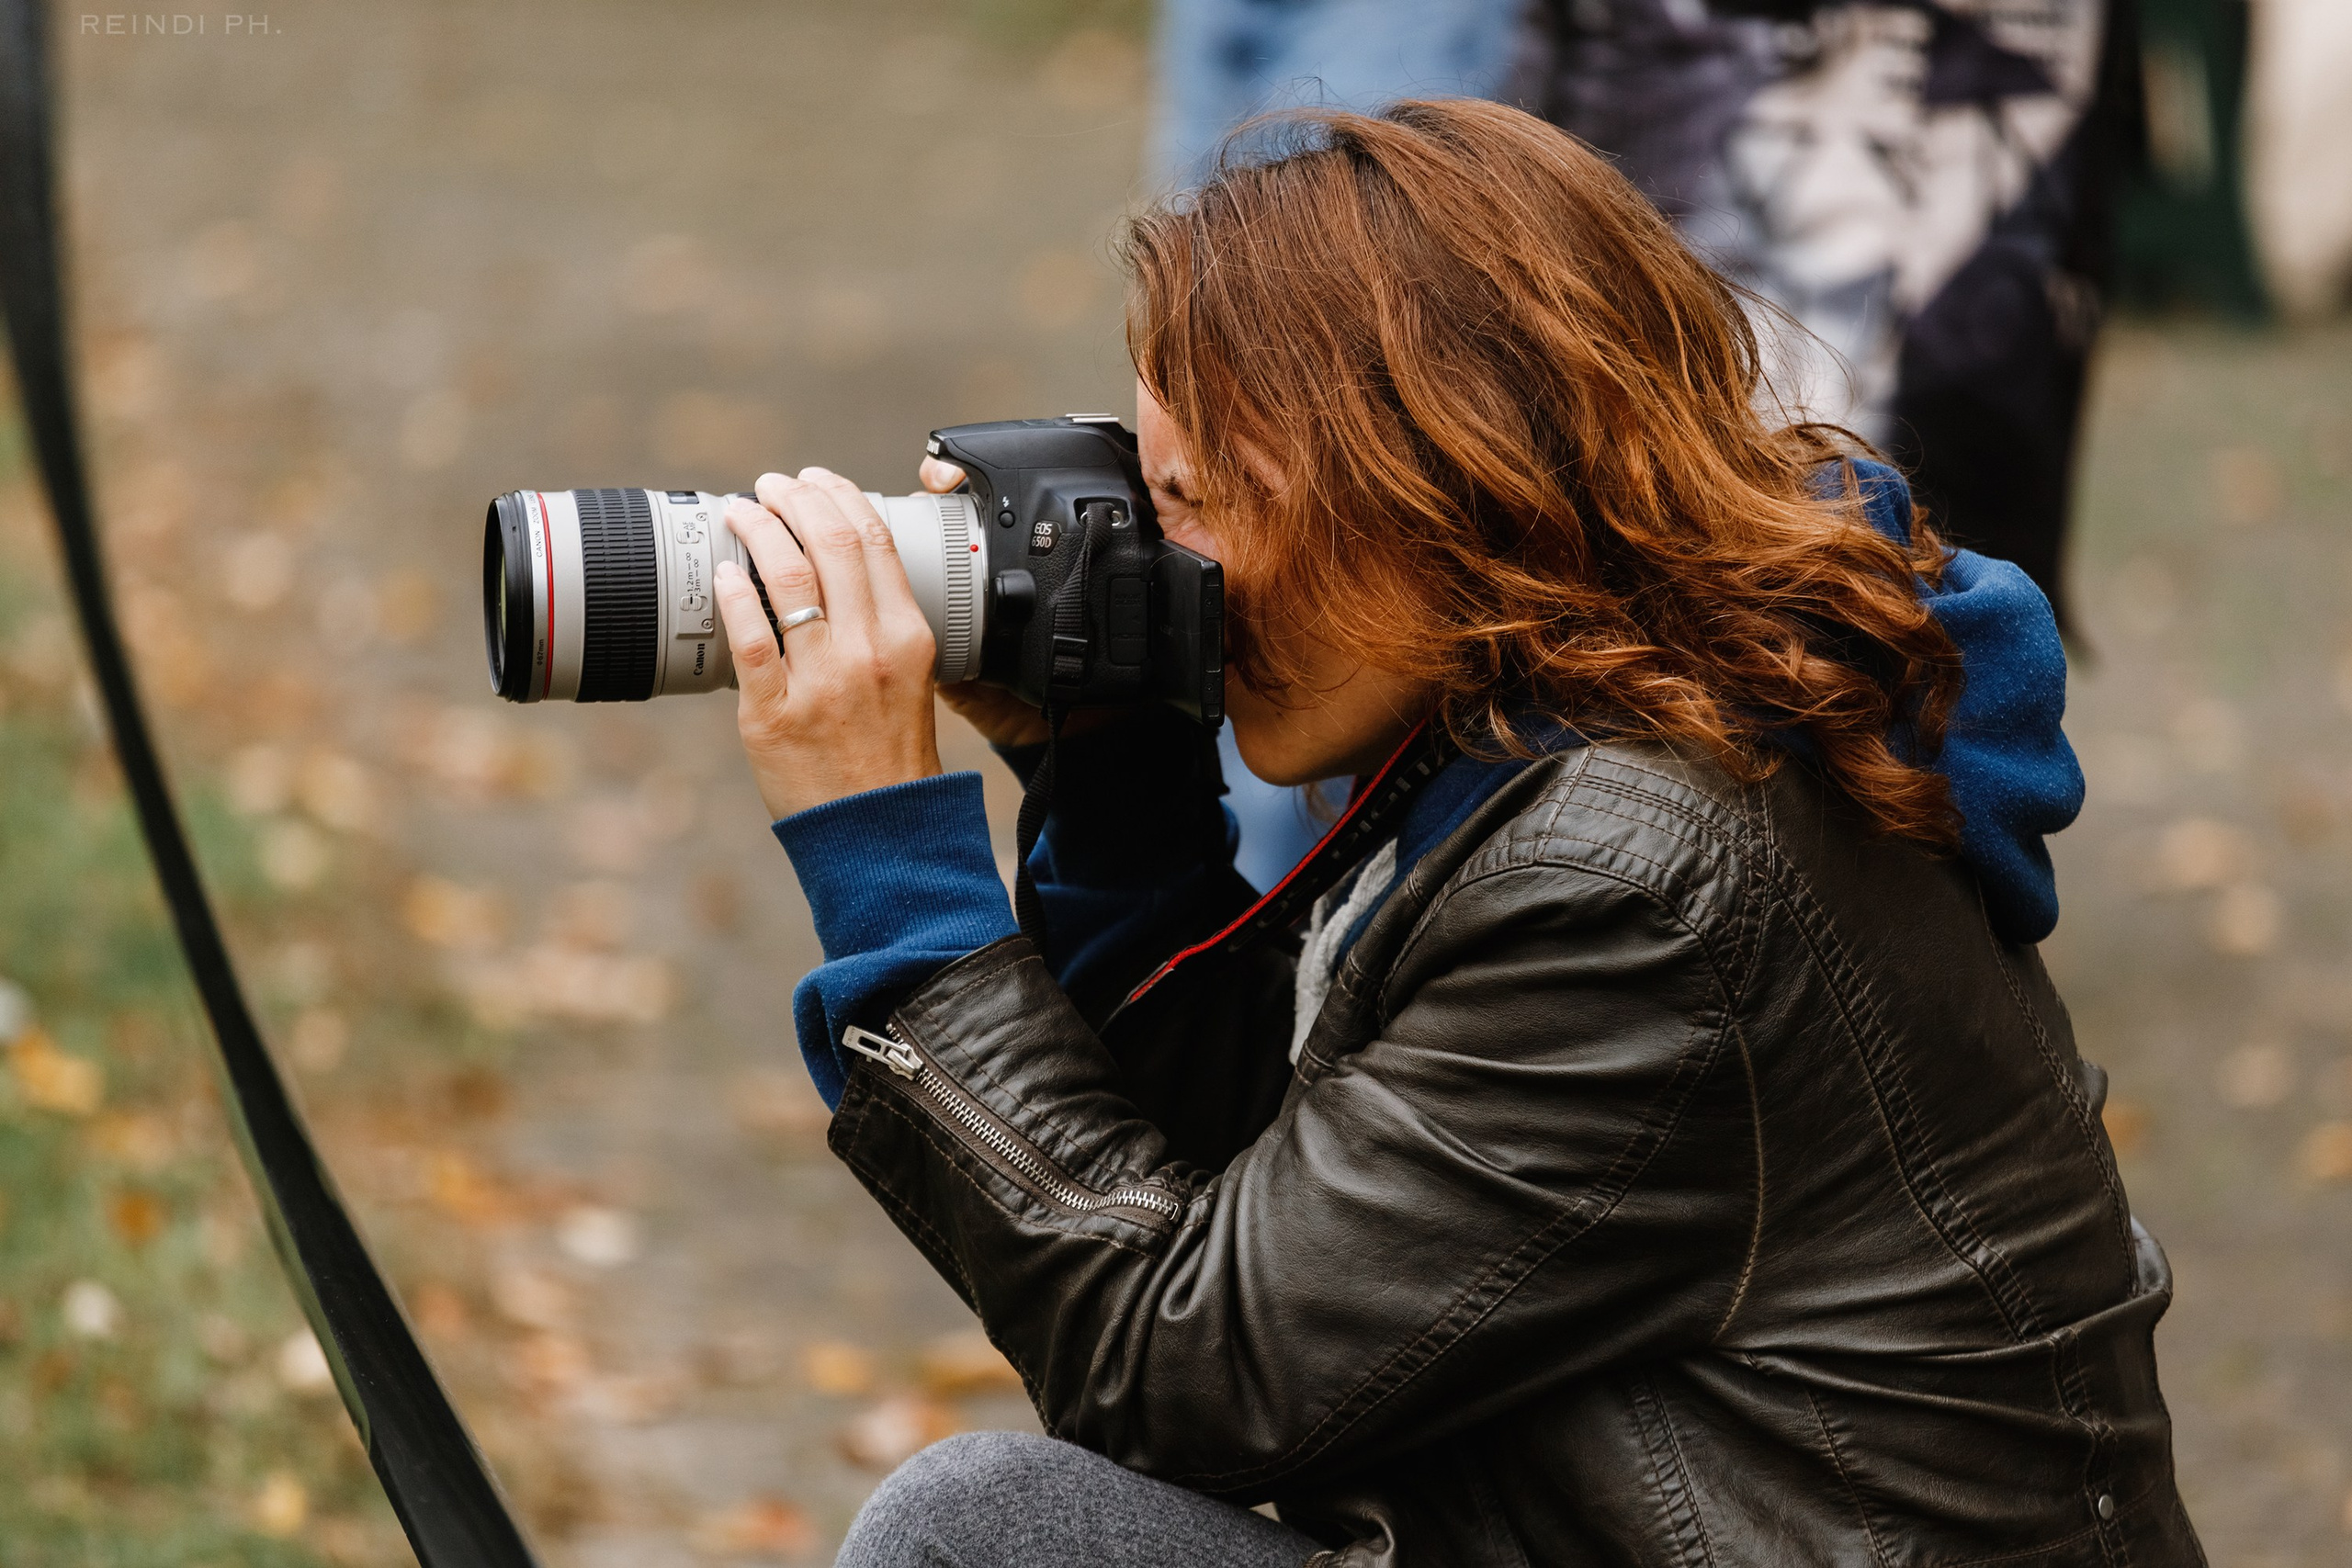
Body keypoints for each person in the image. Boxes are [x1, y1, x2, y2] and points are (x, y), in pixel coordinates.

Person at [711, 101, 2201, 1567]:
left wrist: (891, 864)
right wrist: (1103, 772)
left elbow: (1187, 1370)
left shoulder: (1644, 874)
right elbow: (1307, 1200)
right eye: (1152, 490)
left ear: (1434, 483)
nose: (1166, 566)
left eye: (1199, 500)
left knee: (986, 1540)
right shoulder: (1575, 709)